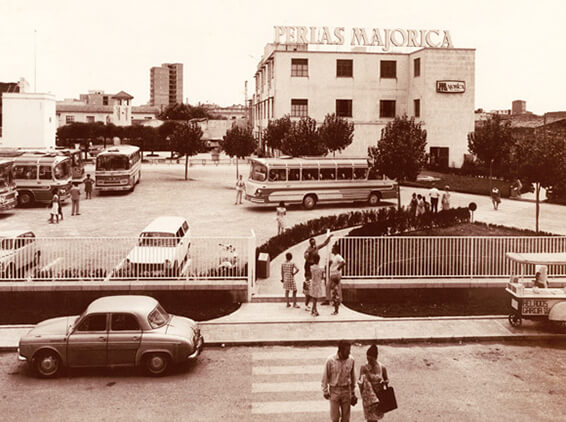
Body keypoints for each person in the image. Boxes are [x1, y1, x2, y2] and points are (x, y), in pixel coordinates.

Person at [322, 340, 357, 422]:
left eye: (349, 350)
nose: (349, 353)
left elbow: (353, 377)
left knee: (346, 418)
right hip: (334, 390)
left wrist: (353, 392)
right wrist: (325, 390)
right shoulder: (330, 360)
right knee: (335, 418)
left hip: (346, 390)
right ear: (340, 350)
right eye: (347, 351)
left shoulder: (351, 360)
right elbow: (325, 376)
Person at [358, 344, 389, 422]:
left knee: (375, 418)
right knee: (370, 418)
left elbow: (387, 379)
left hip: (378, 395)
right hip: (368, 397)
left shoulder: (382, 367)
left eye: (371, 359)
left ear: (375, 358)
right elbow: (360, 381)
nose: (369, 361)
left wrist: (384, 382)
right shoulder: (364, 367)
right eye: (367, 358)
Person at [304, 234, 332, 311]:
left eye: (314, 242)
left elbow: (324, 243)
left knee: (313, 285)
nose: (314, 243)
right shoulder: (308, 249)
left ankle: (312, 305)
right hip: (309, 266)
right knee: (308, 284)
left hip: (314, 265)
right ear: (310, 243)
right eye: (312, 242)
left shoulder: (316, 247)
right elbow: (306, 257)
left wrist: (329, 238)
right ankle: (306, 304)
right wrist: (310, 252)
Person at [328, 244, 346, 315]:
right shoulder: (334, 257)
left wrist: (338, 268)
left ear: (335, 249)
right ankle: (336, 305)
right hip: (333, 274)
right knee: (333, 290)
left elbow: (343, 262)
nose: (331, 249)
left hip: (335, 275)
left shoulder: (338, 256)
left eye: (333, 248)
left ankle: (336, 309)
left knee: (334, 292)